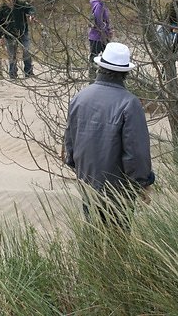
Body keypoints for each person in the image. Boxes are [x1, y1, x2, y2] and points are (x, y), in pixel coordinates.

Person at [63, 42, 154, 225]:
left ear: (100, 67)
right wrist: (143, 182)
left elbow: (70, 146)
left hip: (88, 184)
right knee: (118, 244)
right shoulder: (130, 103)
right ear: (126, 73)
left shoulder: (80, 98)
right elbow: (136, 153)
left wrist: (81, 169)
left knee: (95, 239)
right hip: (118, 191)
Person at [0, 0, 36, 79]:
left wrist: (31, 15)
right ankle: (13, 74)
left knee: (27, 50)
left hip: (23, 31)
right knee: (12, 55)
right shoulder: (2, 8)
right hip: (9, 35)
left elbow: (30, 8)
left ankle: (29, 72)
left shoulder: (20, 3)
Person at [88, 0, 113, 77]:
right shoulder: (99, 5)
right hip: (97, 37)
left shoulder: (102, 4)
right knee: (94, 59)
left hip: (102, 36)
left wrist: (109, 30)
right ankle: (92, 78)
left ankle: (102, 76)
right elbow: (99, 22)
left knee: (107, 57)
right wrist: (106, 31)